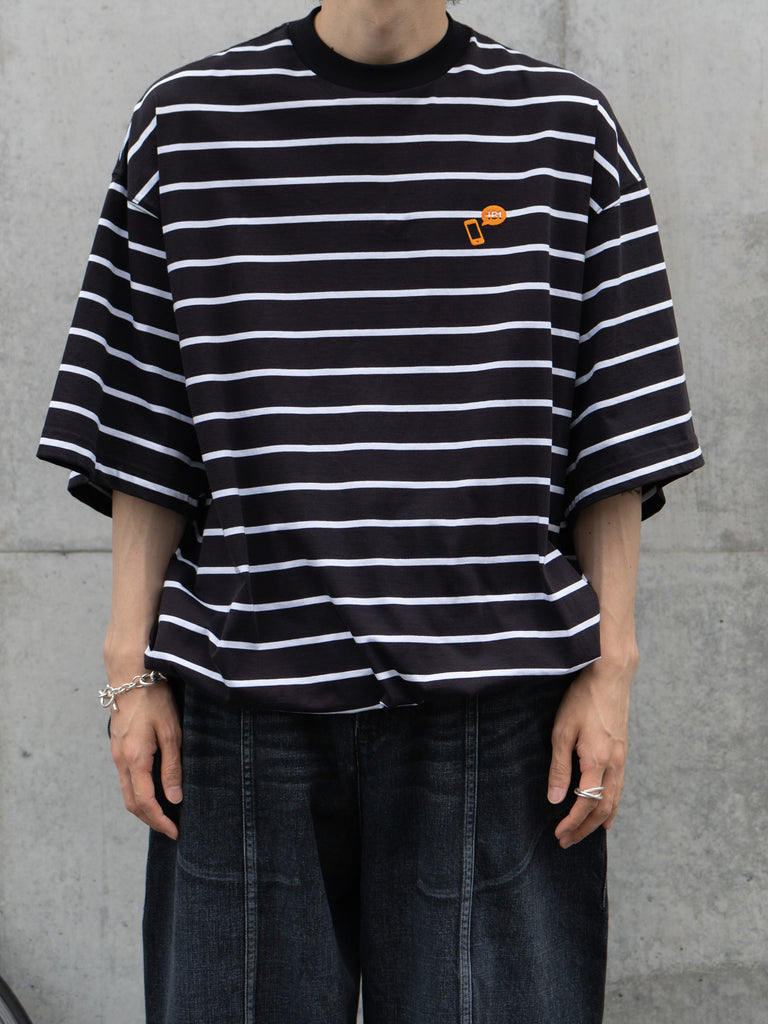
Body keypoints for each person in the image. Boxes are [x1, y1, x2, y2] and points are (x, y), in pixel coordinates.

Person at [38, 1, 703, 1021]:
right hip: (245, 704)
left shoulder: (564, 131)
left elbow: (612, 431)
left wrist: (611, 671)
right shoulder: (187, 126)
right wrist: (128, 672)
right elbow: (145, 424)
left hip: (495, 715)